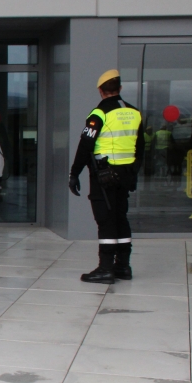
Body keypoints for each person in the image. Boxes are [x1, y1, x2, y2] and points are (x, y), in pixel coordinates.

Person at [68, 69, 144, 284]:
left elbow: (85, 145)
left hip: (104, 175)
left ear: (101, 91)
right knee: (121, 217)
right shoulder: (135, 112)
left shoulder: (99, 114)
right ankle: (123, 266)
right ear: (119, 89)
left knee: (105, 219)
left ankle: (105, 268)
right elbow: (141, 148)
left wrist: (75, 173)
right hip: (126, 175)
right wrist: (132, 172)